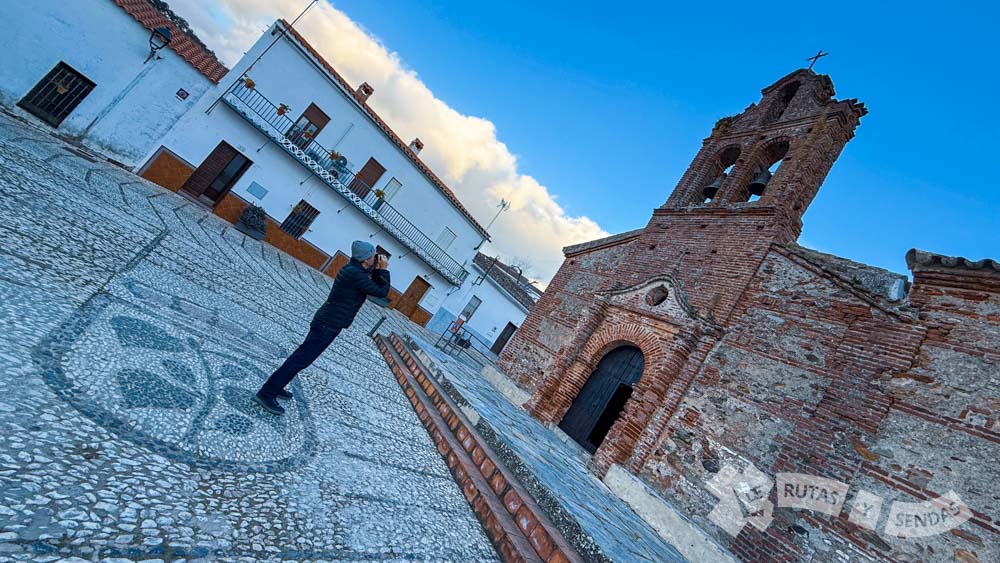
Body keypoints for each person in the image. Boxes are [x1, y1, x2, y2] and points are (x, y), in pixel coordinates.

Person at [253, 240, 390, 415]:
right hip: (328, 324)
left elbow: (374, 285)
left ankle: (276, 386)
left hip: (328, 321)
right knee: (300, 359)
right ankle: (266, 393)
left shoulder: (356, 270)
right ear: (365, 259)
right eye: (372, 256)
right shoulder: (355, 274)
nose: (375, 259)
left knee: (300, 357)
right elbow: (381, 292)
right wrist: (384, 270)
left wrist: (377, 269)